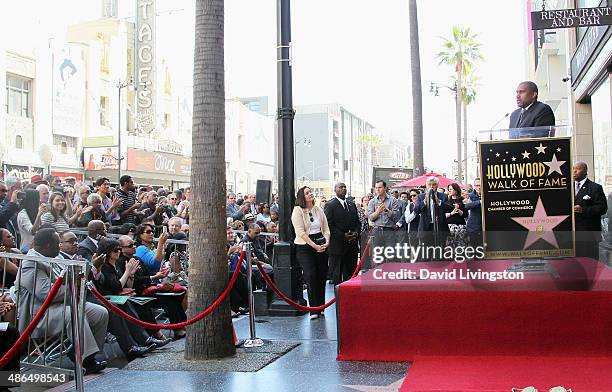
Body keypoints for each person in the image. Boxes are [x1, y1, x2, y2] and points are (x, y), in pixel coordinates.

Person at [15, 229, 109, 374]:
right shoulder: (31, 263)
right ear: (47, 245)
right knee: (74, 313)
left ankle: (81, 352)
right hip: (39, 315)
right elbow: (47, 294)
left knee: (100, 312)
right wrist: (74, 286)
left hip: (62, 305)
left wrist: (89, 268)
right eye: (57, 243)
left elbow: (72, 277)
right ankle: (86, 360)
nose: (59, 246)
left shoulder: (53, 257)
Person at [118, 234, 187, 339]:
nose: (134, 246)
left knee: (175, 296)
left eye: (134, 244)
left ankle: (181, 325)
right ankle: (172, 330)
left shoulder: (136, 258)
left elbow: (147, 273)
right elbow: (133, 281)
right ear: (121, 249)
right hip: (137, 292)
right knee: (166, 299)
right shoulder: (121, 262)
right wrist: (153, 277)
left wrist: (159, 274)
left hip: (149, 288)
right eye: (130, 245)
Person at [291, 186, 330, 320]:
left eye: (310, 192)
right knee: (311, 274)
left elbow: (326, 228)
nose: (310, 194)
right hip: (305, 246)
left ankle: (321, 306)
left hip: (320, 241)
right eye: (307, 193)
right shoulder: (298, 211)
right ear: (302, 196)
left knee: (321, 274)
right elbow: (300, 232)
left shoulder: (318, 209)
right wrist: (314, 246)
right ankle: (314, 309)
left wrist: (327, 241)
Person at [324, 183, 360, 284]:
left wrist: (356, 233)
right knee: (337, 275)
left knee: (351, 274)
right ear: (335, 190)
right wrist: (342, 236)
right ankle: (338, 298)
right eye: (341, 187)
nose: (343, 189)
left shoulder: (351, 204)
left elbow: (357, 222)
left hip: (351, 245)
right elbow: (329, 225)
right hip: (337, 247)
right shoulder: (330, 205)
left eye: (344, 187)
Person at [573, 162, 607, 259]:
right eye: (573, 169)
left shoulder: (595, 188)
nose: (574, 172)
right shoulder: (568, 188)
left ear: (585, 171)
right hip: (571, 236)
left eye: (578, 169)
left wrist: (583, 210)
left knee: (590, 264)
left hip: (589, 235)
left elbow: (602, 208)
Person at [413, 177, 454, 252]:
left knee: (440, 250)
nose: (432, 186)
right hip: (426, 227)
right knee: (427, 251)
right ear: (426, 185)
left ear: (437, 185)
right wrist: (424, 202)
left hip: (440, 226)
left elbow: (450, 209)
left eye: (434, 184)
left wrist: (439, 202)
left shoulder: (443, 196)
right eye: (429, 184)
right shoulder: (421, 196)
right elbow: (416, 210)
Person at [445, 183, 467, 247]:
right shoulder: (446, 201)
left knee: (462, 245)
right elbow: (443, 215)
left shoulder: (463, 200)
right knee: (451, 246)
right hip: (450, 226)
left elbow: (466, 215)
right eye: (449, 189)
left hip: (461, 226)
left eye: (451, 189)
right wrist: (452, 213)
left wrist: (459, 210)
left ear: (456, 190)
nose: (449, 191)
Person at [465, 178, 482, 248]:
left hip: (485, 225)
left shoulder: (487, 194)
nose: (479, 187)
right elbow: (467, 206)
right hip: (473, 225)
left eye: (480, 185)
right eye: (477, 185)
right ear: (474, 186)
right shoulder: (470, 195)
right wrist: (479, 202)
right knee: (474, 246)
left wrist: (474, 203)